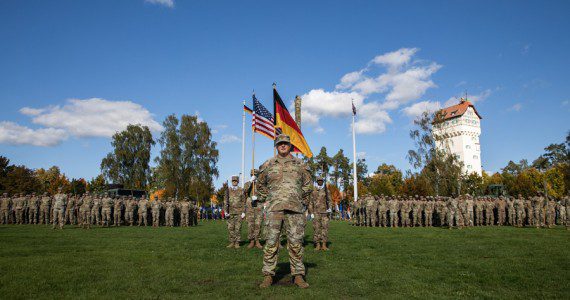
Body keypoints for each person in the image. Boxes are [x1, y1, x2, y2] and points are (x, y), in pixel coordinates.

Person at [255, 134, 312, 289]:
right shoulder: (268, 164)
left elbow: (308, 185)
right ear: (276, 145)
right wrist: (269, 198)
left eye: (285, 143)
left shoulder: (300, 164)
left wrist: (302, 202)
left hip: (295, 210)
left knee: (296, 243)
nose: (283, 145)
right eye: (280, 143)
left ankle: (298, 275)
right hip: (274, 209)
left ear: (290, 146)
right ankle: (268, 276)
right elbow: (259, 184)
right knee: (271, 242)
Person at [309, 176, 331, 251]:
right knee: (316, 229)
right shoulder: (313, 191)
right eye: (319, 180)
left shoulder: (326, 190)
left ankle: (324, 244)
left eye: (321, 180)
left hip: (324, 212)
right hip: (316, 212)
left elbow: (329, 200)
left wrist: (330, 208)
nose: (320, 182)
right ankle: (317, 244)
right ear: (317, 181)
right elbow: (310, 202)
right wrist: (311, 212)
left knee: (325, 228)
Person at [223, 175, 246, 248]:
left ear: (238, 182)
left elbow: (244, 202)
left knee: (238, 228)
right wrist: (225, 211)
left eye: (235, 181)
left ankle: (237, 242)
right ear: (231, 182)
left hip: (239, 212)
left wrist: (244, 212)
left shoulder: (241, 190)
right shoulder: (228, 190)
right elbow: (225, 201)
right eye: (233, 181)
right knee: (230, 228)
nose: (234, 182)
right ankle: (232, 242)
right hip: (230, 212)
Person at [244, 169, 263, 249]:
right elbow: (245, 190)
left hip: (258, 205)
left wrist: (258, 197)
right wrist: (250, 181)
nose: (253, 176)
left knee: (258, 224)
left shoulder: (261, 185)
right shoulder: (248, 183)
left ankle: (257, 241)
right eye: (252, 175)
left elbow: (265, 195)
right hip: (250, 206)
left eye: (255, 175)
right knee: (250, 224)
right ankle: (252, 241)